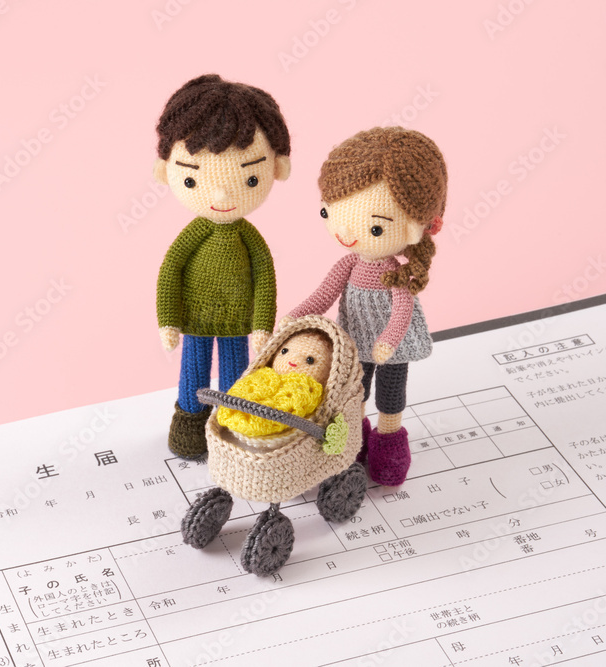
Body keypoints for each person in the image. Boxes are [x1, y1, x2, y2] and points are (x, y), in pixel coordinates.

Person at [285, 126, 448, 486]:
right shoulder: (348, 264)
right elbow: (322, 296)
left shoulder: (395, 274)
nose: (346, 234)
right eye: (329, 213)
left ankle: (389, 442)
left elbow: (402, 310)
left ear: (416, 228)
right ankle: (354, 441)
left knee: (391, 394)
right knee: (354, 391)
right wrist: (296, 316)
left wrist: (389, 340)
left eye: (376, 228)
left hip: (393, 348)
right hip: (355, 342)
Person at [154, 74, 292, 458]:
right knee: (193, 374)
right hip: (195, 320)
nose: (219, 195)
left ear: (276, 169)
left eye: (250, 177)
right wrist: (168, 320)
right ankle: (189, 425)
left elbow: (265, 279)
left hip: (237, 323)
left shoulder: (250, 239)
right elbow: (171, 272)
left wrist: (262, 325)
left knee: (236, 378)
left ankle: (230, 428)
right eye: (192, 179)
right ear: (166, 170)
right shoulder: (194, 234)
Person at [218, 330, 332, 437]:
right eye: (284, 351)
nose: (292, 359)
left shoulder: (307, 391)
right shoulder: (263, 374)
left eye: (310, 360)